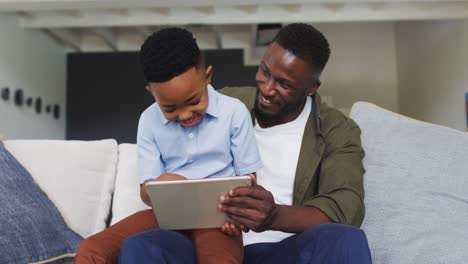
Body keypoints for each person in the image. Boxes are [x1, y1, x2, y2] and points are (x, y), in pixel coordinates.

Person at [76, 23, 372, 264]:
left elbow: (345, 210)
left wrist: (273, 216)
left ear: (311, 88)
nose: (267, 89)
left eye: (283, 84)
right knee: (143, 246)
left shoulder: (337, 130)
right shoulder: (220, 102)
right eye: (265, 72)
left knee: (346, 239)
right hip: (199, 239)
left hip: (283, 249)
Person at [75, 27, 262, 263]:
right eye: (170, 108)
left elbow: (249, 183)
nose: (184, 115)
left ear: (208, 76)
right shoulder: (148, 120)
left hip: (217, 221)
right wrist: (164, 184)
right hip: (165, 216)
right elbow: (146, 192)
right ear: (151, 92)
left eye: (194, 101)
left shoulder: (234, 112)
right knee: (90, 250)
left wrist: (237, 217)